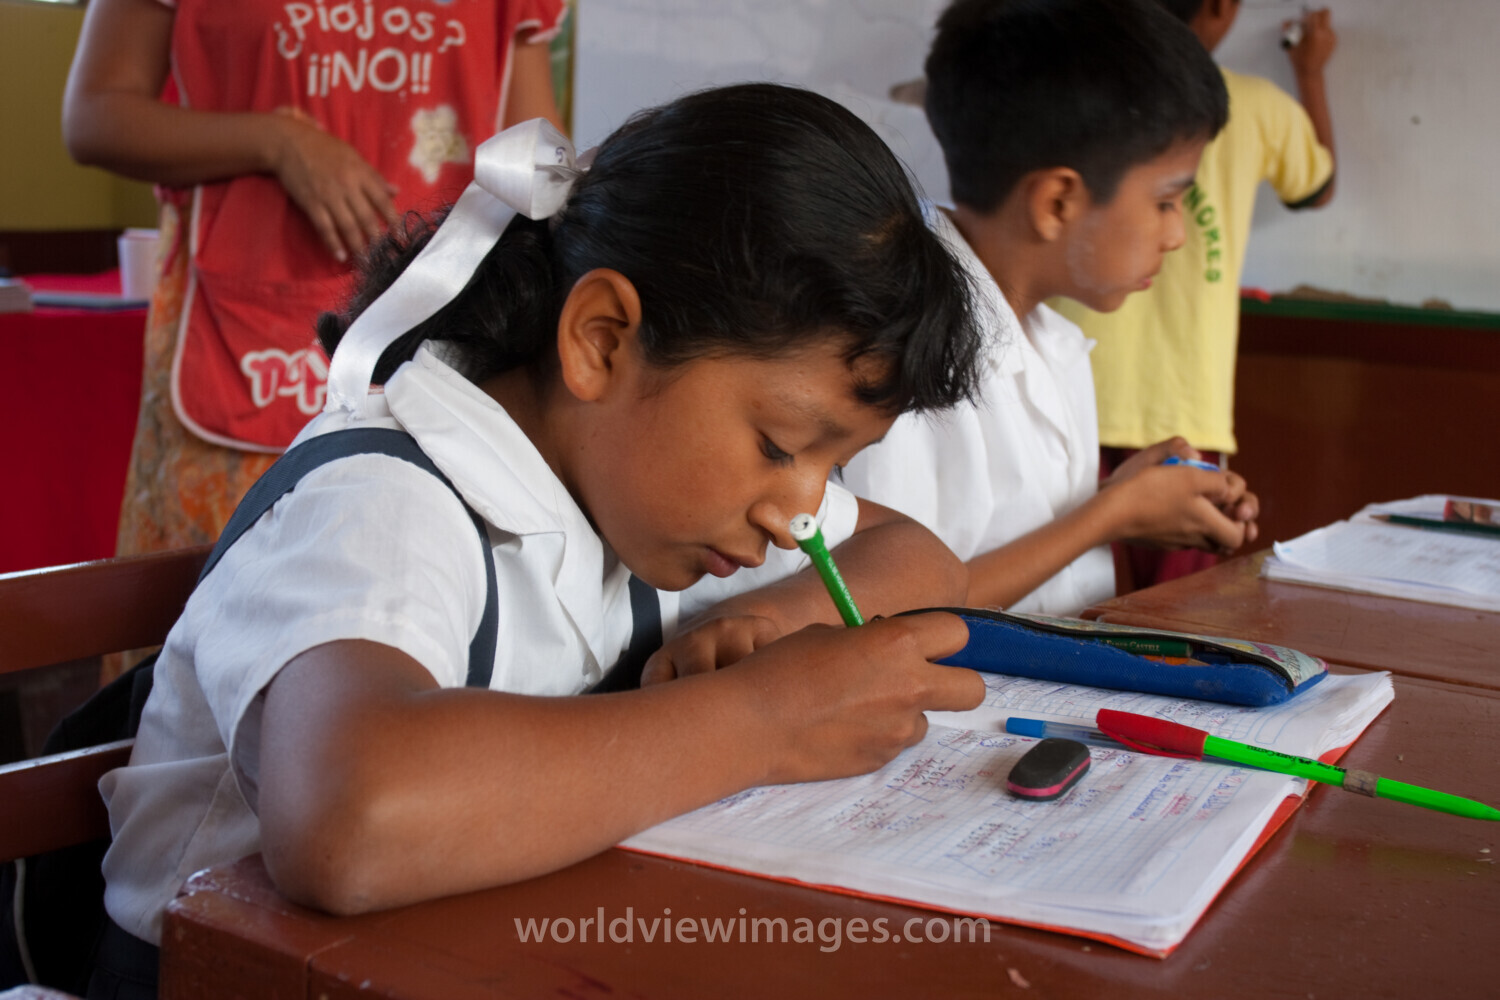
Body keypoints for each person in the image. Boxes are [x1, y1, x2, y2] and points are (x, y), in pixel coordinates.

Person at [88, 83, 988, 998]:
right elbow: (347, 818)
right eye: (780, 447)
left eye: (832, 468)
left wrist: (777, 618)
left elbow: (917, 558)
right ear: (601, 341)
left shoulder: (641, 481)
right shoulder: (388, 498)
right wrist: (764, 719)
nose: (801, 514)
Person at [62, 0, 568, 565]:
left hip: (445, 330)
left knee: (403, 583)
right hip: (236, 332)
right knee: (212, 598)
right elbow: (95, 115)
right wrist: (278, 141)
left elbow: (538, 163)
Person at [842, 0, 1258, 617]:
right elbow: (893, 609)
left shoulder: (1052, 339)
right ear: (1057, 202)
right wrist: (1109, 514)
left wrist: (1128, 497)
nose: (1176, 235)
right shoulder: (902, 346)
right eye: (1167, 201)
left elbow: (1015, 540)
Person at [1052, 0, 1336, 591]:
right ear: (1221, 8)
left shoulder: (1075, 92)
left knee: (1067, 596)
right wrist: (1310, 70)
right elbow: (1317, 187)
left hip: (1070, 389)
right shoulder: (1254, 104)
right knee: (1174, 614)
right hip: (1179, 398)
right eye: (1162, 203)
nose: (1175, 233)